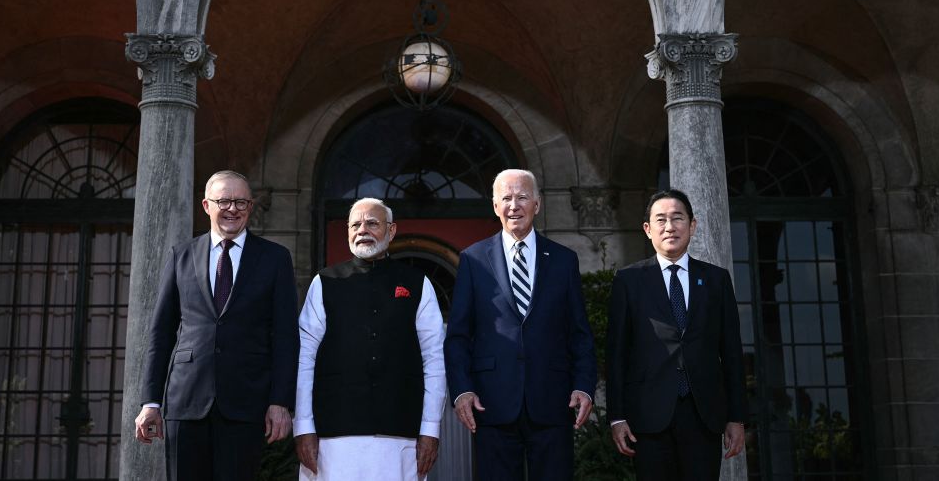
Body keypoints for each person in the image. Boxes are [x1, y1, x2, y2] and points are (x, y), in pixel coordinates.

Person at [134, 170, 299, 481]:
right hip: (185, 402)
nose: (232, 209)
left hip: (246, 403)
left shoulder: (275, 258)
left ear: (250, 207)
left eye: (241, 202)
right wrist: (151, 401)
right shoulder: (180, 256)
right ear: (206, 206)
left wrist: (280, 402)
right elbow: (161, 333)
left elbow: (286, 335)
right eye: (224, 201)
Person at [444, 168, 597, 481]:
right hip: (491, 402)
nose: (514, 205)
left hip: (553, 400)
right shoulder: (473, 260)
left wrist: (583, 385)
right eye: (507, 198)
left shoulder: (564, 260)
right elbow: (458, 335)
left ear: (537, 205)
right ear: (495, 206)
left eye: (522, 197)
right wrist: (462, 390)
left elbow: (579, 332)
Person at [293, 197, 446, 480]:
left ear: (391, 230)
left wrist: (430, 430)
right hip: (333, 433)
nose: (363, 229)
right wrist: (303, 427)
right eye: (355, 224)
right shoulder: (325, 282)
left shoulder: (417, 283)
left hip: (400, 433)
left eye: (372, 223)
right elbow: (305, 358)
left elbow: (434, 359)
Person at [606, 189, 746, 480]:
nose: (669, 227)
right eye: (661, 220)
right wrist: (617, 416)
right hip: (648, 416)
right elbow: (616, 353)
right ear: (648, 229)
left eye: (677, 218)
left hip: (703, 414)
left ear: (692, 226)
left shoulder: (716, 280)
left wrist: (736, 416)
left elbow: (732, 352)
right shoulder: (629, 281)